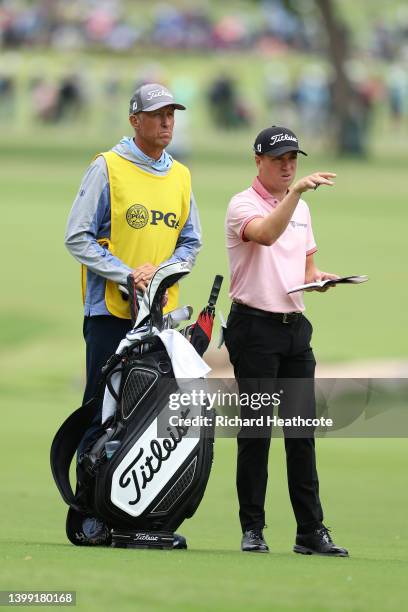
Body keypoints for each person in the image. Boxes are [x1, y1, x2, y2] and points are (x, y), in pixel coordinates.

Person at [64, 83, 201, 546]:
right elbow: (77, 237)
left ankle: (129, 509)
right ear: (134, 120)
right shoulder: (107, 167)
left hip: (159, 317)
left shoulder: (180, 175)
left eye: (171, 115)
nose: (166, 122)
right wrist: (128, 274)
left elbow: (191, 242)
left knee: (146, 414)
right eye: (157, 114)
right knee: (101, 411)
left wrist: (160, 272)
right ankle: (87, 513)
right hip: (109, 312)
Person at [224, 125, 349, 556]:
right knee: (256, 431)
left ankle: (310, 532)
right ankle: (253, 529)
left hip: (294, 329)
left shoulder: (301, 209)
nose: (288, 166)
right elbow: (265, 235)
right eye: (279, 159)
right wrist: (294, 193)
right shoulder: (241, 205)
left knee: (301, 434)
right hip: (254, 330)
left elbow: (305, 268)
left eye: (293, 158)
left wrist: (320, 280)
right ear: (258, 161)